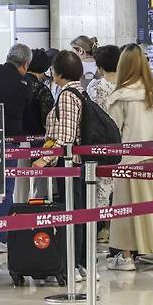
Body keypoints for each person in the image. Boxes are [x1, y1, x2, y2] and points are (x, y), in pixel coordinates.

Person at [105, 44, 153, 273]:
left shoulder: (120, 96)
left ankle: (127, 257)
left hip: (130, 161)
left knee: (125, 211)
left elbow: (114, 132)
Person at [32, 50, 95, 283]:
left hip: (70, 166)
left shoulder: (68, 95)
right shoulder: (81, 91)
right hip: (79, 166)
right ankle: (83, 263)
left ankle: (74, 264)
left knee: (73, 214)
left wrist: (43, 159)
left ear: (58, 72)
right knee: (80, 213)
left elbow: (65, 137)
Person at [0, 44, 33, 246]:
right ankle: (1, 235)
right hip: (10, 142)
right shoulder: (25, 85)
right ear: (25, 64)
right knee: (6, 189)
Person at [85, 45, 120, 243]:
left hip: (102, 141)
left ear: (99, 66)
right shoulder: (127, 85)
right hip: (126, 139)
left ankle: (104, 227)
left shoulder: (96, 87)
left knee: (103, 185)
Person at [16, 49, 55, 202]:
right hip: (37, 144)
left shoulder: (16, 84)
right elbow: (49, 120)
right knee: (36, 188)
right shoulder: (41, 89)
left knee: (18, 188)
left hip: (15, 142)